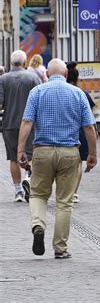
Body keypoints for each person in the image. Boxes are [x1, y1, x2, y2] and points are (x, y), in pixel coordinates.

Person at [17, 58, 97, 259]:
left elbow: (27, 122)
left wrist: (20, 151)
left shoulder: (37, 92)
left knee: (37, 194)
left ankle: (38, 225)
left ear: (46, 74)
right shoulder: (78, 93)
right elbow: (89, 127)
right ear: (66, 75)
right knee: (64, 202)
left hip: (42, 151)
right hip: (69, 152)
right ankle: (60, 248)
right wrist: (93, 154)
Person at [0, 50, 41, 202]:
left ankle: (18, 191)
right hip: (30, 124)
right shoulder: (33, 78)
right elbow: (40, 101)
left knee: (13, 158)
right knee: (29, 155)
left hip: (9, 124)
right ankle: (28, 178)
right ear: (25, 63)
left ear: (11, 63)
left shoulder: (3, 79)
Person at [66, 61, 96, 203]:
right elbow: (90, 120)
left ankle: (66, 191)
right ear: (77, 79)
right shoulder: (83, 94)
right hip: (81, 133)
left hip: (65, 133)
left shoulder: (61, 93)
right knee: (77, 164)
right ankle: (74, 193)